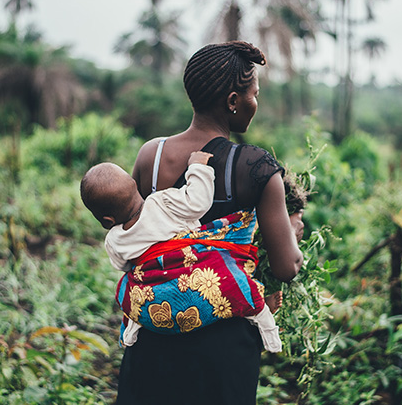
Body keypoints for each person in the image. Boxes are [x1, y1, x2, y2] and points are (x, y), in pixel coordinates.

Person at [117, 41, 303, 405]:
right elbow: (286, 267)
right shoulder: (256, 167)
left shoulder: (150, 156)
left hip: (154, 331)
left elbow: (135, 235)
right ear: (233, 101)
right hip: (223, 348)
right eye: (254, 94)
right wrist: (292, 232)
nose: (255, 104)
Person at [79, 151, 282, 353]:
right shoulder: (162, 202)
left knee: (128, 288)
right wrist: (197, 167)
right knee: (233, 281)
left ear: (106, 221)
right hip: (195, 276)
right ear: (134, 185)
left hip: (157, 299)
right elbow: (198, 202)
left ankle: (132, 329)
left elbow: (124, 266)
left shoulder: (114, 240)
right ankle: (266, 323)